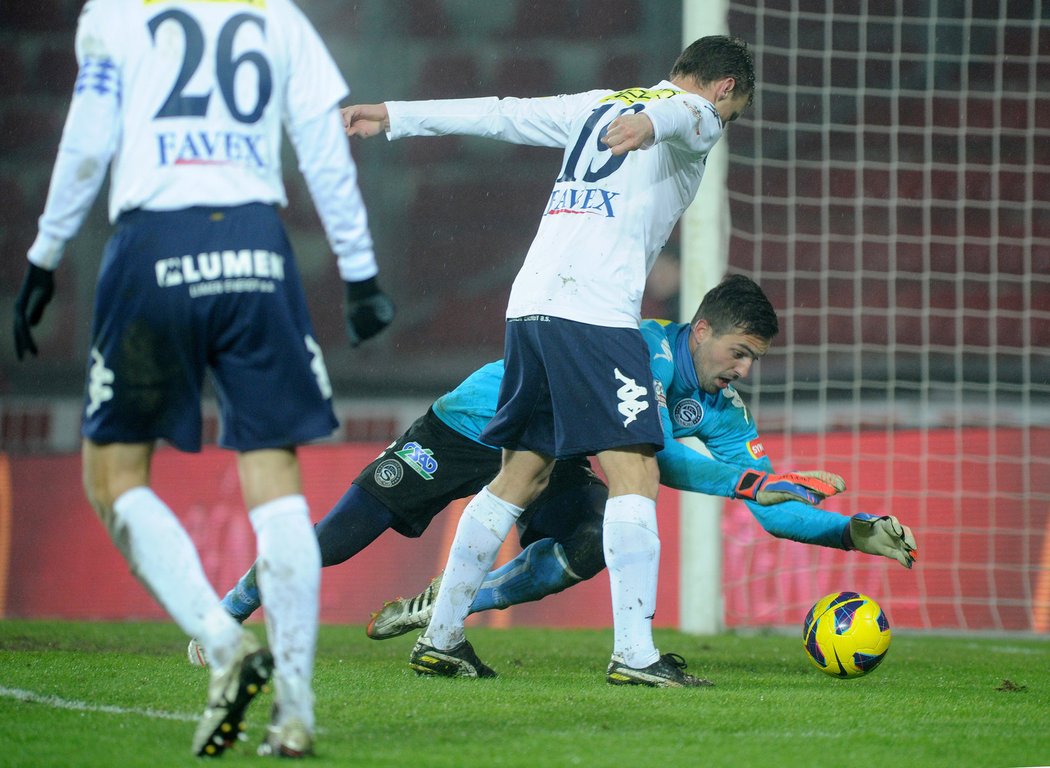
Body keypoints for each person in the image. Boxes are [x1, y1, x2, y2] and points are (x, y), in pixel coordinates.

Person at [190, 275, 917, 688]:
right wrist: (749, 486)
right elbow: (656, 451)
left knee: (594, 536)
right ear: (701, 331)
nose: (744, 371)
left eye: (754, 360)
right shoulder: (644, 351)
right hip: (475, 423)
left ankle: (448, 608)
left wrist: (851, 532)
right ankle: (226, 612)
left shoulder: (723, 405)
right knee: (337, 541)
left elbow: (769, 502)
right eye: (738, 352)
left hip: (557, 445)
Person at [11, 0, 393, 758]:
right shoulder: (275, 14)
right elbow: (322, 141)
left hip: (155, 241)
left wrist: (44, 255)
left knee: (114, 474)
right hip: (254, 242)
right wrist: (359, 271)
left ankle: (225, 645)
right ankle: (296, 714)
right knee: (275, 478)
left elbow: (87, 143)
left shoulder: (116, 13)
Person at [343, 34, 757, 686]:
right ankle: (635, 654)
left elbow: (500, 112)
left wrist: (395, 115)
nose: (722, 126)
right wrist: (654, 122)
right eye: (731, 114)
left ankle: (442, 637)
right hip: (594, 313)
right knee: (634, 474)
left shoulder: (593, 104)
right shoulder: (691, 115)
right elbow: (689, 114)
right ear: (724, 88)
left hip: (530, 307)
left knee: (521, 476)